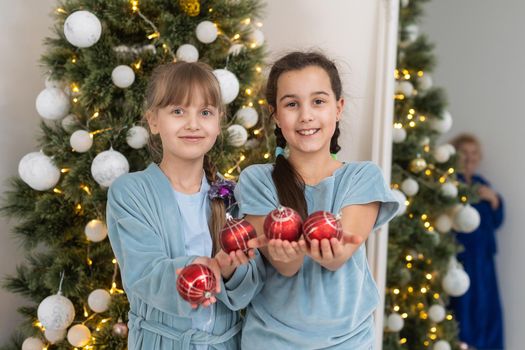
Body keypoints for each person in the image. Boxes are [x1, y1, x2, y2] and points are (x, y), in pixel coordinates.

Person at [234, 51, 400, 349]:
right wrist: (288, 254)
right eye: (292, 104)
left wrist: (315, 247)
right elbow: (286, 267)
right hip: (271, 341)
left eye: (318, 101)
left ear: (338, 108)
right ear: (275, 114)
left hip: (348, 342)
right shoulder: (257, 180)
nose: (306, 115)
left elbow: (337, 258)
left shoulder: (362, 177)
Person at [106, 61, 262, 350]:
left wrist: (227, 270)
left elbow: (250, 285)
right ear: (153, 120)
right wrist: (197, 269)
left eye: (205, 112)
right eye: (178, 111)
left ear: (218, 123)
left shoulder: (232, 196)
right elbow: (145, 271)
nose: (193, 124)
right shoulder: (130, 193)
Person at [449, 133, 505, 350]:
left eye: (473, 153)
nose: (469, 158)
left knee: (487, 311)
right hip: (462, 259)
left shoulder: (483, 184)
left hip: (485, 262)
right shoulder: (452, 184)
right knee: (464, 311)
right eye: (464, 152)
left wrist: (495, 200)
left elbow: (497, 221)